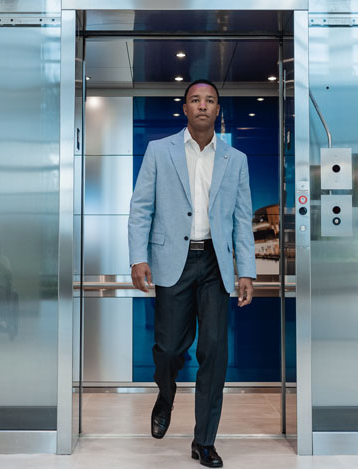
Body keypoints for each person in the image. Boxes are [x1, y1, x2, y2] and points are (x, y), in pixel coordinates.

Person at [127, 79, 256, 468]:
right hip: (173, 263)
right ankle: (165, 395)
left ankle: (204, 441)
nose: (202, 106)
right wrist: (138, 257)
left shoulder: (237, 160)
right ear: (184, 108)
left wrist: (245, 271)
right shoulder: (159, 151)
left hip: (216, 264)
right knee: (168, 348)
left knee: (214, 352)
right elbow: (140, 209)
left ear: (219, 110)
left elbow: (241, 220)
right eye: (195, 100)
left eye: (210, 100)